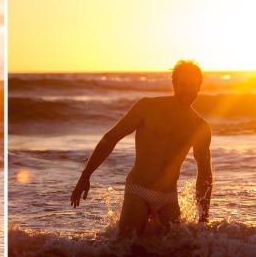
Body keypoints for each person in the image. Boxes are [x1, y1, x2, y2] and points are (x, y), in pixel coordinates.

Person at [71, 60, 213, 235]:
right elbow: (111, 138)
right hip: (139, 190)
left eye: (193, 85)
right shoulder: (147, 107)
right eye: (182, 84)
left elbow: (204, 173)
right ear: (174, 85)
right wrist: (85, 176)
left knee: (177, 253)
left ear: (199, 87)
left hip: (169, 197)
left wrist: (203, 217)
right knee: (124, 246)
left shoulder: (200, 126)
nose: (188, 90)